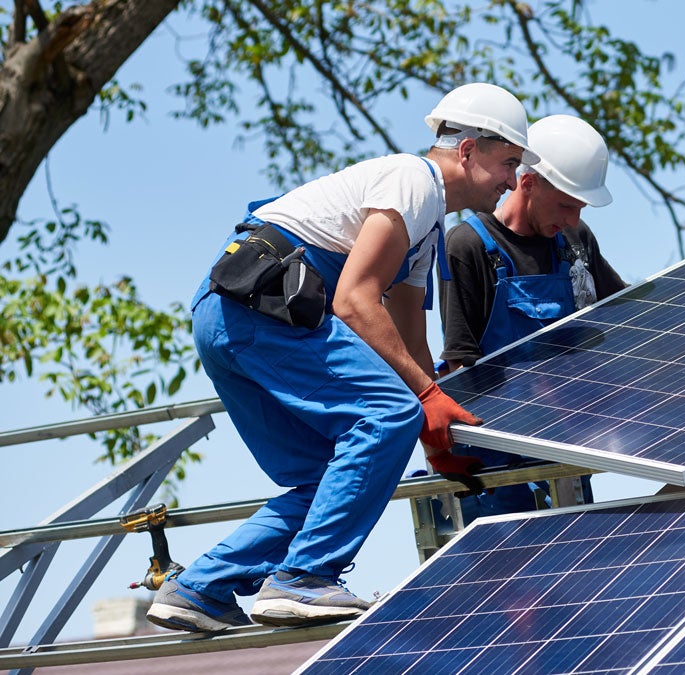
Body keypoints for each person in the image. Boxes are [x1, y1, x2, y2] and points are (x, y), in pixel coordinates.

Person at [146, 82, 538, 633]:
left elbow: (406, 332)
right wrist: (421, 401)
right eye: (508, 162)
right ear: (469, 150)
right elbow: (355, 300)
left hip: (228, 317)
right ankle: (304, 577)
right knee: (384, 418)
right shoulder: (413, 182)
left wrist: (433, 426)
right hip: (268, 312)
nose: (510, 179)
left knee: (328, 479)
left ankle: (199, 588)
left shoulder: (424, 229)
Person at [438, 114, 625, 522]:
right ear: (528, 183)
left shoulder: (576, 241)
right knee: (514, 576)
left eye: (580, 208)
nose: (573, 220)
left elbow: (626, 317)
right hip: (497, 463)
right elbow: (459, 365)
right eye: (565, 205)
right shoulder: (468, 245)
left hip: (565, 443)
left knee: (579, 560)